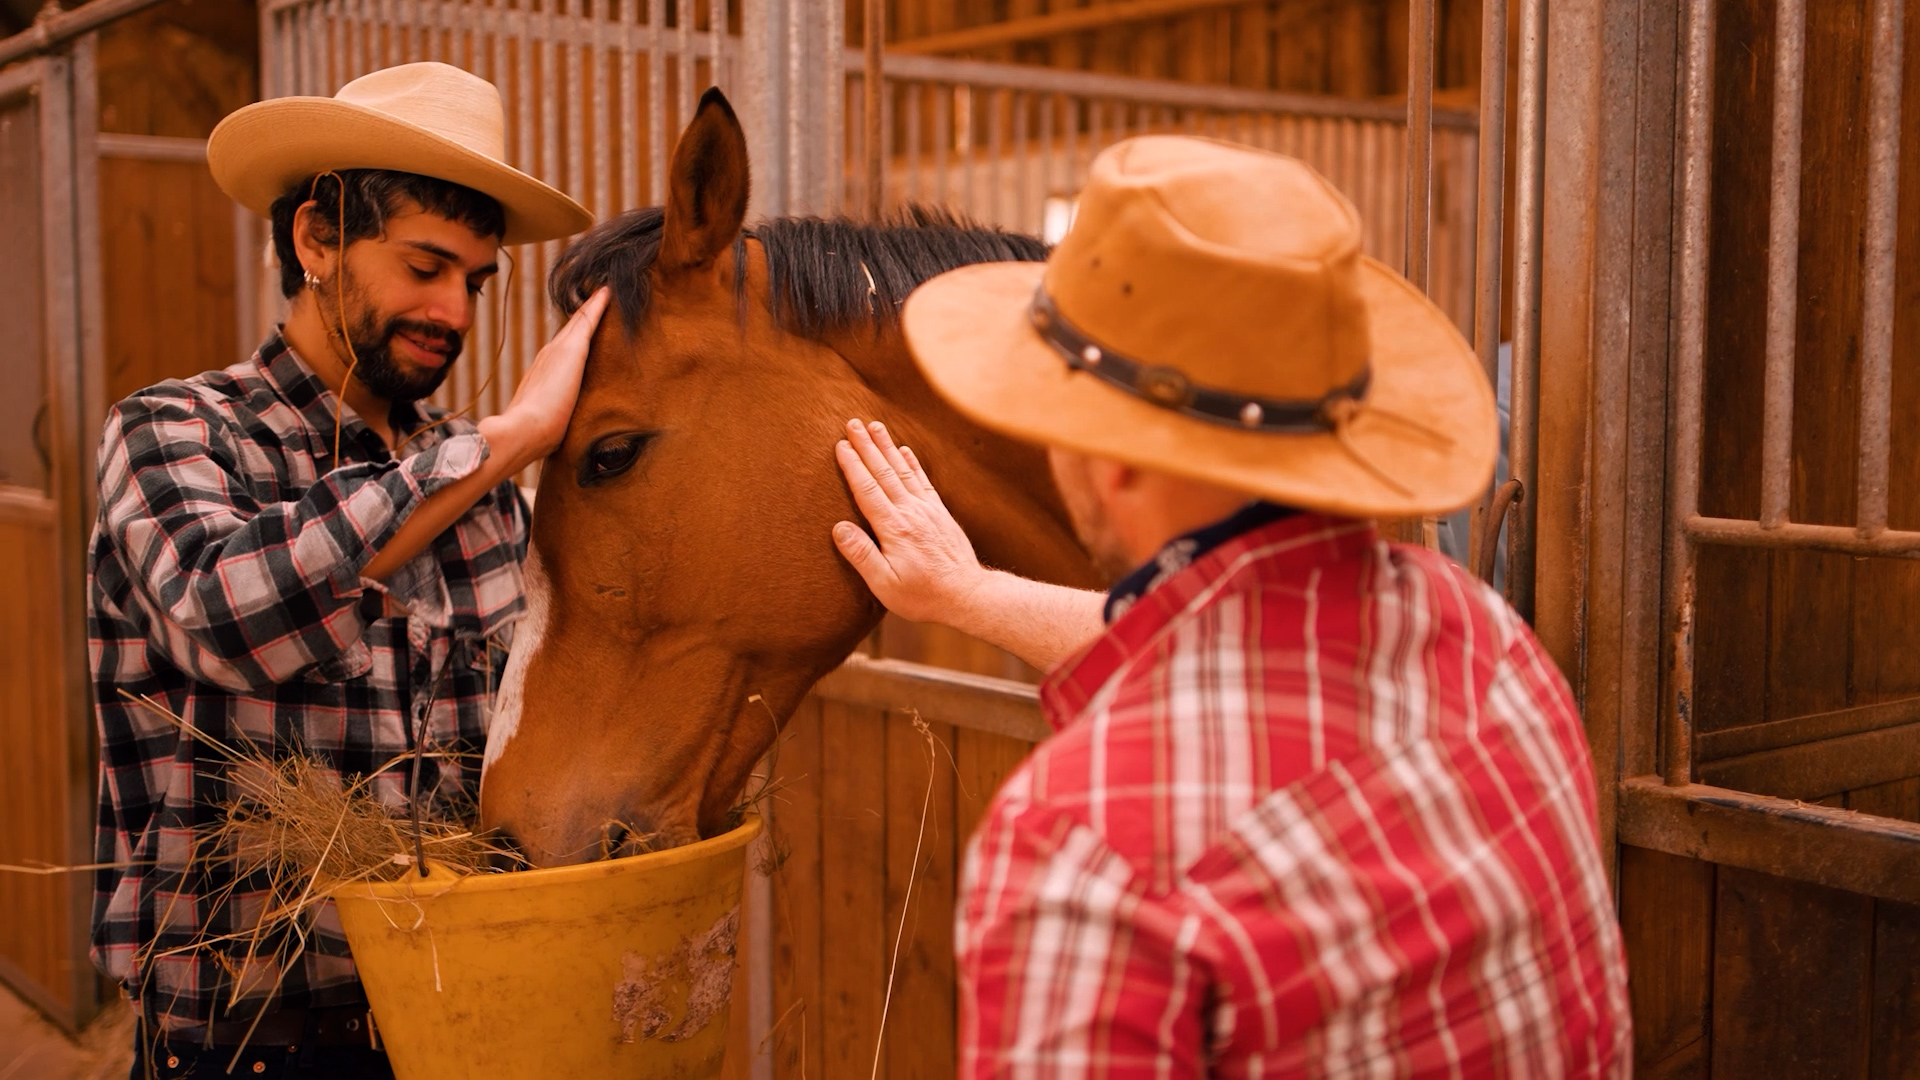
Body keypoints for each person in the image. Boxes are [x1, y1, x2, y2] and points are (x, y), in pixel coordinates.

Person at [832, 137, 1630, 1076]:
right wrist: (973, 596)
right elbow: (1242, 647)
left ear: (1114, 452)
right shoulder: (1488, 645)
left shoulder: (1085, 847)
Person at [88, 62, 609, 1078]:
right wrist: (504, 445)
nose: (456, 313)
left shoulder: (476, 478)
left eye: (475, 280)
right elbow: (226, 615)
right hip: (242, 1029)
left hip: (452, 1013)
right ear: (317, 239)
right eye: (424, 267)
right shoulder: (172, 430)